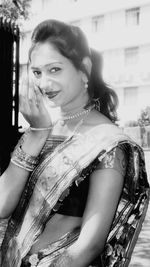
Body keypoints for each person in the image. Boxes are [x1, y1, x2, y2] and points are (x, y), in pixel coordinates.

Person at [0, 19, 149, 267]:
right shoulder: (40, 129)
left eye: (55, 69)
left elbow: (91, 245)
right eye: (37, 72)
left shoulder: (108, 143)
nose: (44, 84)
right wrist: (37, 132)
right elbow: (3, 205)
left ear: (84, 69)